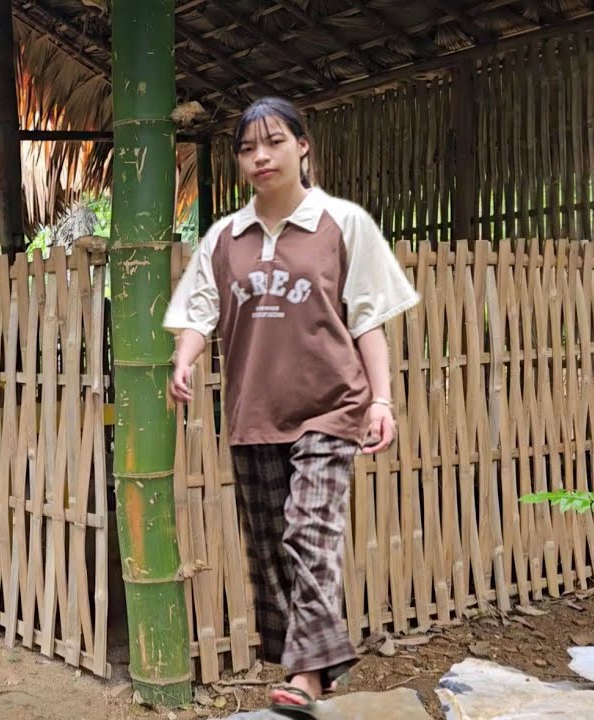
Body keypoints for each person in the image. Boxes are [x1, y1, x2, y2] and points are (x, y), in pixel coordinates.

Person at [163, 97, 419, 717]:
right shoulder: (224, 238)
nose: (260, 157)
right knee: (273, 548)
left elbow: (368, 319)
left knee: (309, 531)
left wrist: (381, 400)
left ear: (303, 146)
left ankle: (306, 675)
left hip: (331, 406)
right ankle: (315, 670)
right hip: (254, 412)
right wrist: (184, 359)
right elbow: (200, 310)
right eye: (247, 148)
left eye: (274, 142)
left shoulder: (343, 223)